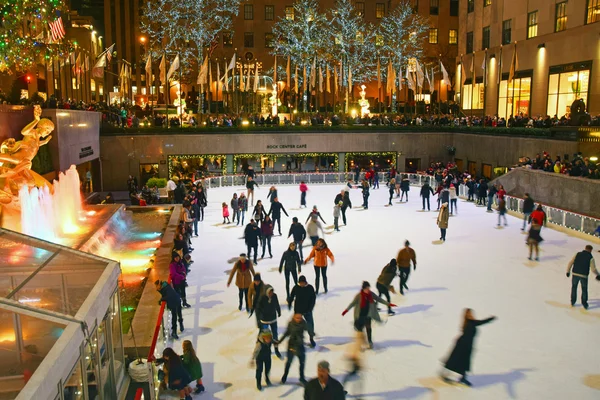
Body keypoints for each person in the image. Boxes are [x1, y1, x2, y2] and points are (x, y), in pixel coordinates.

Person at [441, 309, 496, 386]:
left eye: (471, 313)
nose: (471, 315)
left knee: (465, 361)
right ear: (466, 315)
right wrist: (491, 318)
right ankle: (443, 373)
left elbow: (480, 323)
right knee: (455, 359)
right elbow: (479, 324)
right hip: (462, 345)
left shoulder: (470, 322)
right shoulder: (469, 322)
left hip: (467, 345)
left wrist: (491, 319)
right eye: (469, 314)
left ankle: (463, 378)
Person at [342, 281, 395, 349]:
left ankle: (370, 342)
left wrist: (388, 304)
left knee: (368, 328)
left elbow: (379, 299)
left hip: (368, 315)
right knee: (359, 330)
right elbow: (352, 303)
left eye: (369, 288)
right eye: (367, 288)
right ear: (363, 289)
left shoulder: (371, 294)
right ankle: (360, 343)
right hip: (360, 315)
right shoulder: (359, 296)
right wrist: (346, 310)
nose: (368, 290)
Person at [277, 313, 315, 385]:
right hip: (292, 346)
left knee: (302, 363)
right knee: (289, 362)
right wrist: (279, 341)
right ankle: (284, 377)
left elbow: (308, 328)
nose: (299, 319)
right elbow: (287, 333)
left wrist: (312, 333)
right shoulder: (291, 324)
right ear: (294, 318)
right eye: (297, 318)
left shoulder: (303, 323)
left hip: (300, 346)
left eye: (300, 318)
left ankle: (302, 378)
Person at [566, 245, 600, 309]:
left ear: (585, 248)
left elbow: (571, 262)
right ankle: (584, 304)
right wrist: (598, 275)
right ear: (590, 250)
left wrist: (568, 271)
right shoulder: (591, 257)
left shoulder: (577, 254)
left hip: (575, 274)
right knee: (584, 289)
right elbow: (593, 269)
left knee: (574, 287)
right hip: (584, 276)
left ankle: (573, 301)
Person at [288, 276, 317, 346]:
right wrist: (290, 303)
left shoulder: (310, 288)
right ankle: (296, 339)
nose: (301, 284)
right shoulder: (296, 288)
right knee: (296, 325)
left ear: (305, 282)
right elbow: (291, 296)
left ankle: (311, 338)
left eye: (302, 283)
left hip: (307, 310)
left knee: (310, 325)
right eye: (300, 283)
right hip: (298, 311)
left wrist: (310, 308)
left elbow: (313, 299)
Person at [257, 285, 283, 358]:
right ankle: (266, 349)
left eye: (272, 292)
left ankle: (276, 349)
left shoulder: (274, 296)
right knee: (266, 336)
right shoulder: (262, 297)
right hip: (265, 320)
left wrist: (279, 311)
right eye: (270, 292)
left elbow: (277, 304)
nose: (271, 294)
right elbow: (258, 307)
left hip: (273, 319)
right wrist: (260, 317)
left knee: (275, 334)